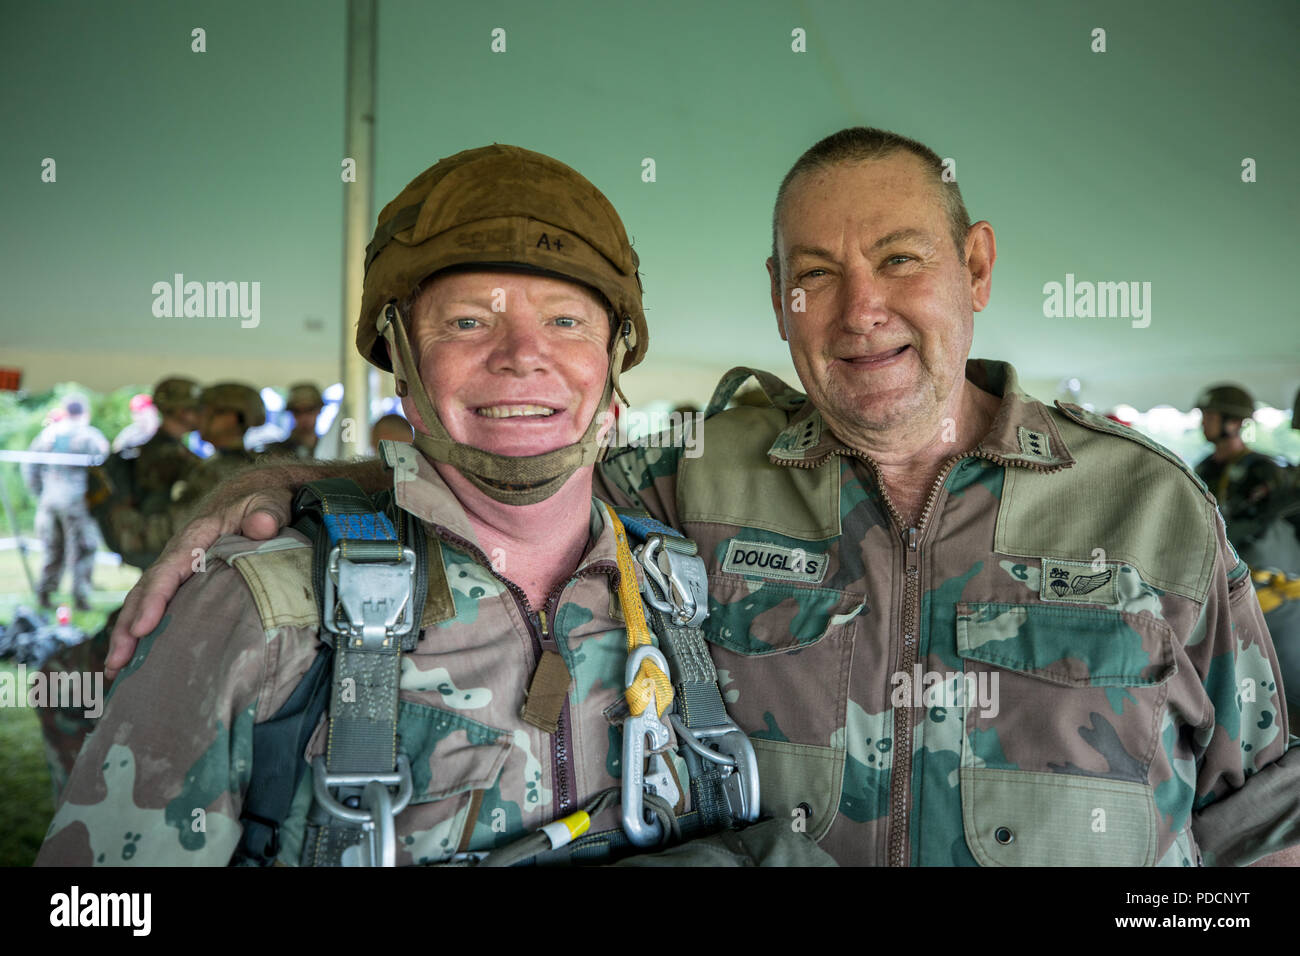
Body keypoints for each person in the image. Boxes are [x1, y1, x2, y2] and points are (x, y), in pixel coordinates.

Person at [107, 127, 1300, 866]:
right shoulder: (696, 481)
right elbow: (511, 461)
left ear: (973, 265)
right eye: (814, 275)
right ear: (776, 297)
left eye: (899, 259)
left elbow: (1260, 813)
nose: (859, 310)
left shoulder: (1149, 509)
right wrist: (290, 484)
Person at [39, 145, 804, 868]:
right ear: (402, 367)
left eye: (567, 321)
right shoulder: (264, 611)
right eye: (468, 321)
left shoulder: (680, 596)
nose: (522, 354)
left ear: (614, 363)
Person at [1194, 384, 1300, 574]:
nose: (1202, 423)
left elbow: (1265, 524)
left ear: (1233, 422)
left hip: (1255, 568)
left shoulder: (1263, 470)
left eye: (1210, 417)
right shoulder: (1204, 468)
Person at [22, 394, 109, 611]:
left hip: (49, 500)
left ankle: (45, 593)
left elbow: (30, 467)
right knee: (83, 548)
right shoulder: (89, 436)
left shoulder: (48, 435)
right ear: (85, 413)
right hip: (78, 501)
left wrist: (40, 492)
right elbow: (106, 470)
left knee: (53, 548)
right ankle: (81, 597)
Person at [170, 383, 265, 519]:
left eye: (204, 411)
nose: (198, 419)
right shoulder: (246, 463)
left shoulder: (222, 470)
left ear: (230, 418)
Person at [261, 383, 324, 459]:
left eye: (310, 410)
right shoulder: (278, 451)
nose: (304, 417)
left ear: (319, 409)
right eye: (297, 411)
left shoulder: (329, 446)